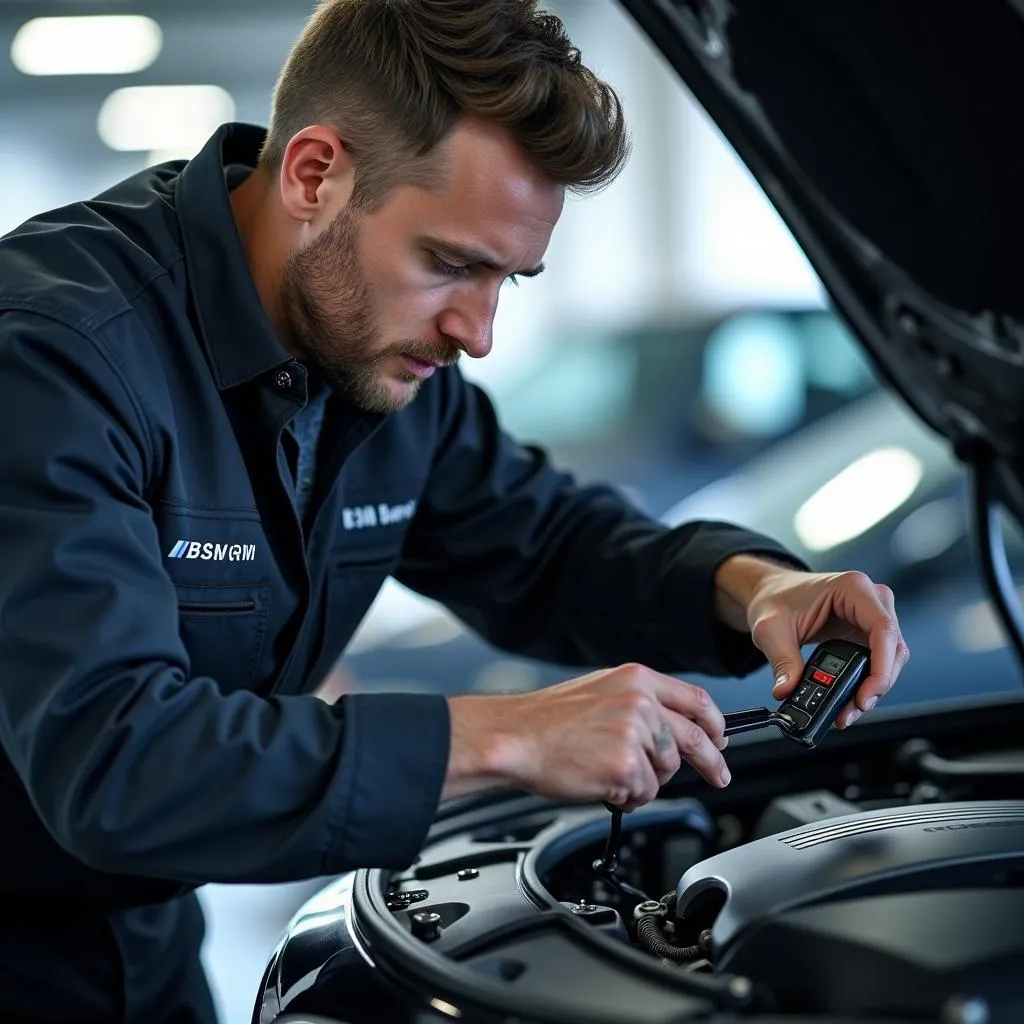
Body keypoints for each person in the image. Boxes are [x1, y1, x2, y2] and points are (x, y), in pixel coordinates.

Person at [0, 1, 909, 1021]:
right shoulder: (54, 356)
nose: (477, 333)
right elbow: (119, 759)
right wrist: (509, 735)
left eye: (509, 278)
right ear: (314, 174)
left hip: (148, 939)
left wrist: (758, 588)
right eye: (450, 262)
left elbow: (548, 542)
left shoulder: (375, 359)